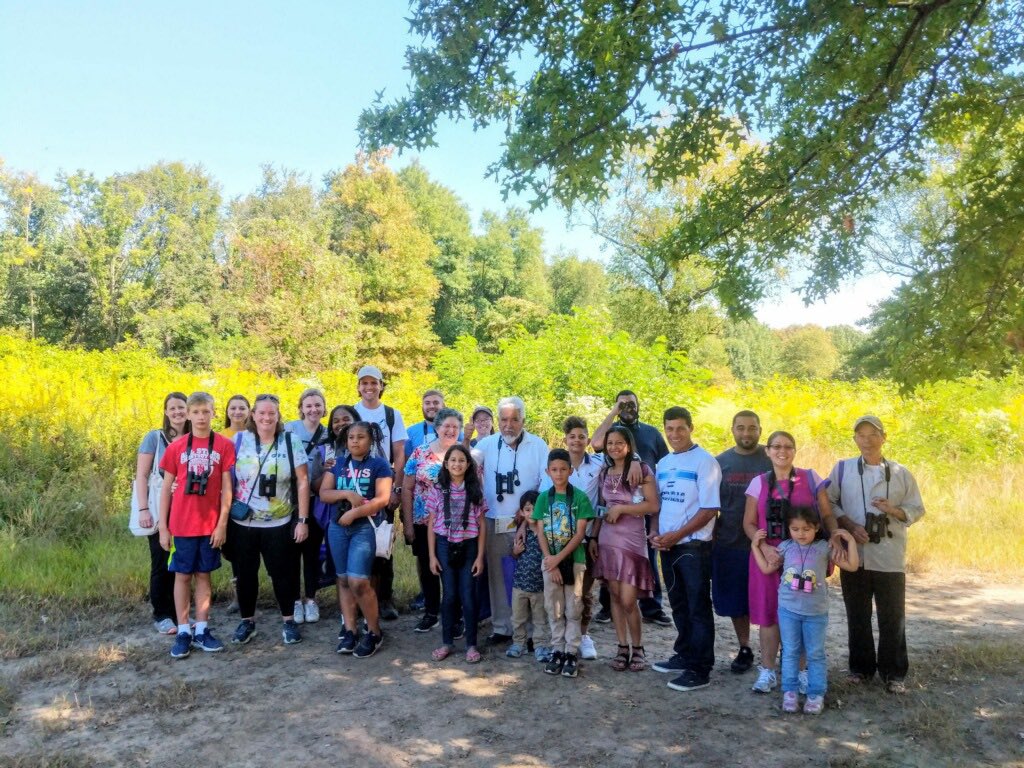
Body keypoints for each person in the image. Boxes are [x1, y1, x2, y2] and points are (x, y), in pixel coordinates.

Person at [742, 430, 844, 695]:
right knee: (768, 614)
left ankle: (800, 672)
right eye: (776, 446)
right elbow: (749, 523)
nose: (782, 451)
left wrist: (834, 536)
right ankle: (767, 671)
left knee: (801, 612)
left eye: (788, 446)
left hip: (804, 558)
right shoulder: (758, 483)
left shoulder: (811, 478)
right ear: (767, 451)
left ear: (795, 450)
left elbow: (826, 514)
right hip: (770, 557)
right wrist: (763, 546)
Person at [828, 415, 925, 695]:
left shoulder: (900, 472)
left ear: (884, 437)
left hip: (890, 553)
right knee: (856, 614)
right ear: (855, 439)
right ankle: (860, 669)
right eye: (861, 434)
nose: (867, 440)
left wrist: (893, 510)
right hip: (854, 554)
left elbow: (917, 508)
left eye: (873, 434)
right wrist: (849, 525)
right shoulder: (842, 469)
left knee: (892, 616)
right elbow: (829, 502)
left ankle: (894, 673)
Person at [539, 416, 639, 661]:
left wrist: (635, 459)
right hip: (556, 541)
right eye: (572, 436)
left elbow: (624, 457)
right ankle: (559, 640)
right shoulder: (553, 468)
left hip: (589, 537)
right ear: (566, 439)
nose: (577, 440)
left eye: (581, 436)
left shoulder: (598, 464)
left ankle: (582, 636)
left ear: (588, 440)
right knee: (558, 593)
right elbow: (541, 508)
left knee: (583, 592)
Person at [752, 507, 860, 713]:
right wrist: (755, 546)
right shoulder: (785, 547)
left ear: (817, 528)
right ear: (789, 529)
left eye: (806, 529)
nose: (801, 533)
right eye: (795, 529)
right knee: (791, 651)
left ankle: (816, 693)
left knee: (815, 653)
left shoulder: (825, 548)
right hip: (788, 611)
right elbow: (766, 568)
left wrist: (851, 542)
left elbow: (852, 566)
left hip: (816, 613)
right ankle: (790, 692)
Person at [157, 392, 236, 659]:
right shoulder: (176, 447)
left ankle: (202, 628)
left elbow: (227, 489)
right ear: (188, 415)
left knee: (204, 575)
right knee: (182, 575)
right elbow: (166, 488)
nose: (202, 417)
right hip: (181, 524)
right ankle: (183, 630)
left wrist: (222, 524)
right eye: (197, 412)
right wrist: (164, 527)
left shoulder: (224, 445)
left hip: (209, 524)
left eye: (207, 412)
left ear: (214, 413)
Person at [229, 394, 310, 647]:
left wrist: (302, 520)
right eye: (261, 413)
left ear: (278, 416)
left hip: (279, 523)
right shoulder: (239, 440)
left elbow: (303, 481)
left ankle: (288, 621)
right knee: (245, 575)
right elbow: (225, 480)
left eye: (271, 413)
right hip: (243, 524)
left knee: (283, 575)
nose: (266, 418)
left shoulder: (290, 441)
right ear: (253, 414)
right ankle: (247, 621)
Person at [650, 407, 721, 692]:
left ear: (691, 428)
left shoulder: (705, 462)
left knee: (697, 606)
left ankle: (700, 668)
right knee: (678, 603)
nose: (674, 434)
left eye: (680, 428)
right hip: (667, 547)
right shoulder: (664, 463)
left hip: (693, 547)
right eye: (670, 429)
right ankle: (685, 653)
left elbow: (709, 509)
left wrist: (677, 535)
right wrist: (655, 532)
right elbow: (657, 504)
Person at [591, 390, 672, 626]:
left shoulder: (651, 432)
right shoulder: (611, 432)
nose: (628, 408)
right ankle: (608, 606)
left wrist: (637, 460)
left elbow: (665, 462)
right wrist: (614, 411)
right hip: (614, 502)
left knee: (646, 556)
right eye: (622, 404)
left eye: (631, 404)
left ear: (639, 405)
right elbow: (596, 443)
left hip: (643, 503)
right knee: (612, 556)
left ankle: (651, 607)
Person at [476, 396, 549, 644]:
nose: (509, 425)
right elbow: (460, 464)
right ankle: (501, 627)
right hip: (494, 520)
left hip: (528, 524)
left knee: (528, 575)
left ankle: (528, 631)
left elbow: (547, 482)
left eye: (514, 419)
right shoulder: (485, 445)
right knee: (498, 576)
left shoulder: (538, 446)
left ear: (523, 420)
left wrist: (531, 513)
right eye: (504, 420)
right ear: (498, 421)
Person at [320, 421, 393, 659]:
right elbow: (324, 493)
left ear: (370, 440)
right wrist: (346, 494)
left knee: (359, 581)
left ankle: (374, 632)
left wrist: (355, 512)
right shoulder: (338, 463)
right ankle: (350, 630)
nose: (354, 441)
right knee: (342, 580)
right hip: (337, 528)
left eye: (360, 437)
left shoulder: (379, 465)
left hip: (364, 528)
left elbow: (382, 499)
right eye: (351, 437)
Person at [590, 425, 658, 672]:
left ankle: (638, 647)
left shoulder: (641, 471)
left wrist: (622, 509)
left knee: (629, 599)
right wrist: (595, 537)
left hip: (631, 540)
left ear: (629, 445)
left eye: (619, 443)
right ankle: (622, 646)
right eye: (610, 443)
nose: (614, 447)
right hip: (608, 539)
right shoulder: (604, 472)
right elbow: (601, 506)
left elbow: (652, 505)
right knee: (615, 596)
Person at [714, 410, 772, 674]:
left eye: (752, 428)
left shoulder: (771, 459)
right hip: (730, 541)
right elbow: (709, 505)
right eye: (741, 428)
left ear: (760, 429)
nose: (746, 433)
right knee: (737, 601)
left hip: (768, 542)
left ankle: (776, 651)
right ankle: (745, 647)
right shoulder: (720, 462)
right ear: (732, 429)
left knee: (772, 598)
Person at [532, 449, 596, 678]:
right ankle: (557, 649)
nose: (559, 474)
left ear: (570, 470)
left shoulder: (579, 497)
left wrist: (558, 560)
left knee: (574, 607)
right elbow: (539, 531)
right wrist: (551, 562)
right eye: (554, 470)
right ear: (548, 471)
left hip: (574, 561)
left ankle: (571, 651)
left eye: (563, 469)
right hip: (550, 563)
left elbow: (580, 534)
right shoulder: (543, 498)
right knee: (554, 608)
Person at [402, 407, 465, 633]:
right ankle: (430, 612)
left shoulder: (463, 456)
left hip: (455, 526)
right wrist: (408, 524)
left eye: (454, 427)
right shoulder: (419, 453)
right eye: (446, 426)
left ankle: (455, 616)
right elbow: (407, 489)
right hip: (422, 523)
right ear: (437, 427)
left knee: (452, 570)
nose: (450, 430)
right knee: (428, 569)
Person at [354, 365, 407, 621]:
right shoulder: (353, 412)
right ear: (358, 386)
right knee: (358, 542)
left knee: (383, 544)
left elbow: (399, 453)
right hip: (357, 486)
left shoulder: (391, 414)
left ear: (381, 385)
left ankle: (385, 598)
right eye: (364, 383)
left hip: (384, 486)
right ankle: (360, 599)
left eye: (373, 383)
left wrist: (397, 488)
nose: (369, 388)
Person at [427, 444, 487, 663]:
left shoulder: (475, 490)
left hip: (469, 545)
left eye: (462, 460)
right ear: (446, 463)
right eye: (453, 460)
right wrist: (432, 556)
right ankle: (447, 642)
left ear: (468, 464)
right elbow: (432, 523)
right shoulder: (438, 489)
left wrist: (480, 556)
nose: (457, 464)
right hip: (444, 545)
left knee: (468, 595)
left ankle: (471, 644)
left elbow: (481, 524)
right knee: (450, 595)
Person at [135, 391, 188, 635]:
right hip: (158, 510)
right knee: (160, 560)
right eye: (173, 408)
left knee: (182, 563)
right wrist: (144, 508)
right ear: (166, 412)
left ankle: (181, 614)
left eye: (182, 407)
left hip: (186, 511)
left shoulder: (194, 438)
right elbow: (142, 476)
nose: (178, 412)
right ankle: (162, 614)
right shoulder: (154, 438)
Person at [285, 387, 328, 624]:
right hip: (290, 501)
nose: (313, 409)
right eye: (308, 405)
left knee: (312, 553)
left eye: (317, 405)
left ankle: (311, 599)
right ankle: (293, 600)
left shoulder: (327, 434)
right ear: (301, 407)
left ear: (324, 407)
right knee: (291, 553)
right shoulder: (290, 429)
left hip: (316, 501)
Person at [507, 491, 548, 661]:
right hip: (520, 585)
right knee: (518, 618)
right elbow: (514, 555)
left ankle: (540, 646)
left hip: (540, 586)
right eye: (528, 509)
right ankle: (518, 644)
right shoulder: (520, 531)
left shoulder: (545, 533)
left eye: (535, 509)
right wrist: (515, 551)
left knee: (540, 620)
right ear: (522, 512)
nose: (532, 513)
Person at [221, 394, 251, 615]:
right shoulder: (220, 436)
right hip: (228, 500)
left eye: (242, 408)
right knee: (234, 551)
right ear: (227, 411)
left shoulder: (255, 434)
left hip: (253, 498)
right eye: (234, 408)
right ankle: (238, 595)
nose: (238, 412)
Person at [405, 389, 449, 455]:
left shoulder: (454, 430)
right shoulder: (410, 432)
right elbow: (406, 463)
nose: (431, 406)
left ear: (443, 406)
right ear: (422, 407)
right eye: (427, 403)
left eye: (436, 403)